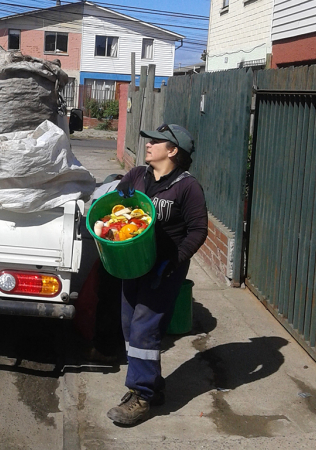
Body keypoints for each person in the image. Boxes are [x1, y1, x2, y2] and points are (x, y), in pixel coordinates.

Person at [106, 123, 208, 426]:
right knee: (128, 325)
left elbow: (198, 230)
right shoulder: (138, 175)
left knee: (143, 328)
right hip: (132, 262)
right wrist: (115, 191)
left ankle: (141, 395)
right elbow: (114, 209)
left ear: (173, 151)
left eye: (156, 141)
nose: (148, 144)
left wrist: (174, 260)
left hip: (164, 268)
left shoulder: (188, 187)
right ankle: (152, 384)